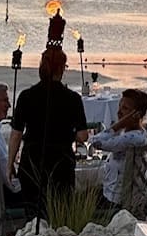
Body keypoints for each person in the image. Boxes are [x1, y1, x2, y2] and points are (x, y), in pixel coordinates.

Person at [8, 46, 88, 207]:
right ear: (61, 69)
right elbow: (83, 136)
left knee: (32, 208)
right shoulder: (72, 98)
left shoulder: (26, 96)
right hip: (61, 162)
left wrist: (10, 164)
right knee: (59, 207)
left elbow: (16, 134)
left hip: (32, 160)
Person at [87, 88, 147, 211]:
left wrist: (118, 125)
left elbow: (94, 142)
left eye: (125, 109)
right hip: (121, 194)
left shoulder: (131, 139)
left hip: (117, 201)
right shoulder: (139, 134)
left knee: (79, 196)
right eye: (119, 107)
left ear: (137, 114)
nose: (119, 112)